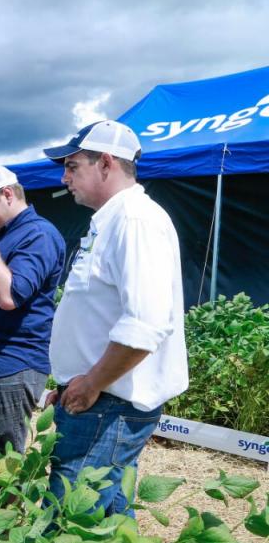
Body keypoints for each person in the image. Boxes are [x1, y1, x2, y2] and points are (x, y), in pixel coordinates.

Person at [42, 120, 188, 517]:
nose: (64, 177)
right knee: (110, 517)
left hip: (108, 403)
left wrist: (91, 383)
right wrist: (78, 379)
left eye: (73, 167)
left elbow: (145, 324)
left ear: (105, 163)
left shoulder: (134, 221)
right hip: (101, 398)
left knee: (70, 523)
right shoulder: (114, 220)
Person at [0, 164, 66, 459]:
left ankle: (6, 508)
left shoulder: (39, 234)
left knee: (6, 461)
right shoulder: (0, 235)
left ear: (7, 194)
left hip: (13, 364)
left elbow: (10, 295)